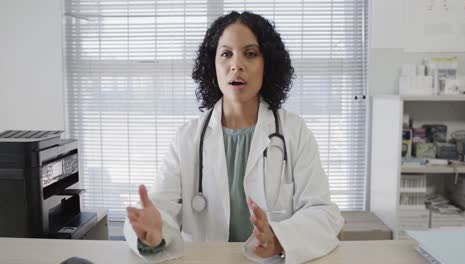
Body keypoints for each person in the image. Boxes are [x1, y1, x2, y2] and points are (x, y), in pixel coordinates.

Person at [124, 11, 344, 264]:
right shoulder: (188, 138)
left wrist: (280, 238)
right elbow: (158, 210)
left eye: (250, 54)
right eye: (226, 54)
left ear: (267, 63)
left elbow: (324, 214)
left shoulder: (294, 132)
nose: (236, 65)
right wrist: (153, 235)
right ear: (213, 65)